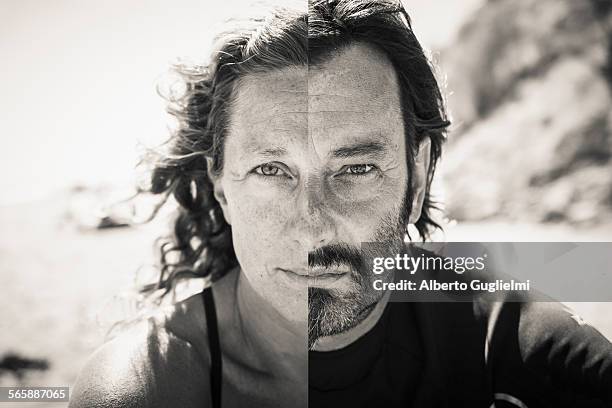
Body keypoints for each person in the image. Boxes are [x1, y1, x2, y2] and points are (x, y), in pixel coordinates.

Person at [69, 1, 612, 407]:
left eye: (355, 169)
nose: (312, 228)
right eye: (270, 170)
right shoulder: (148, 387)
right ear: (221, 187)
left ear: (418, 175)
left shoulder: (501, 333)